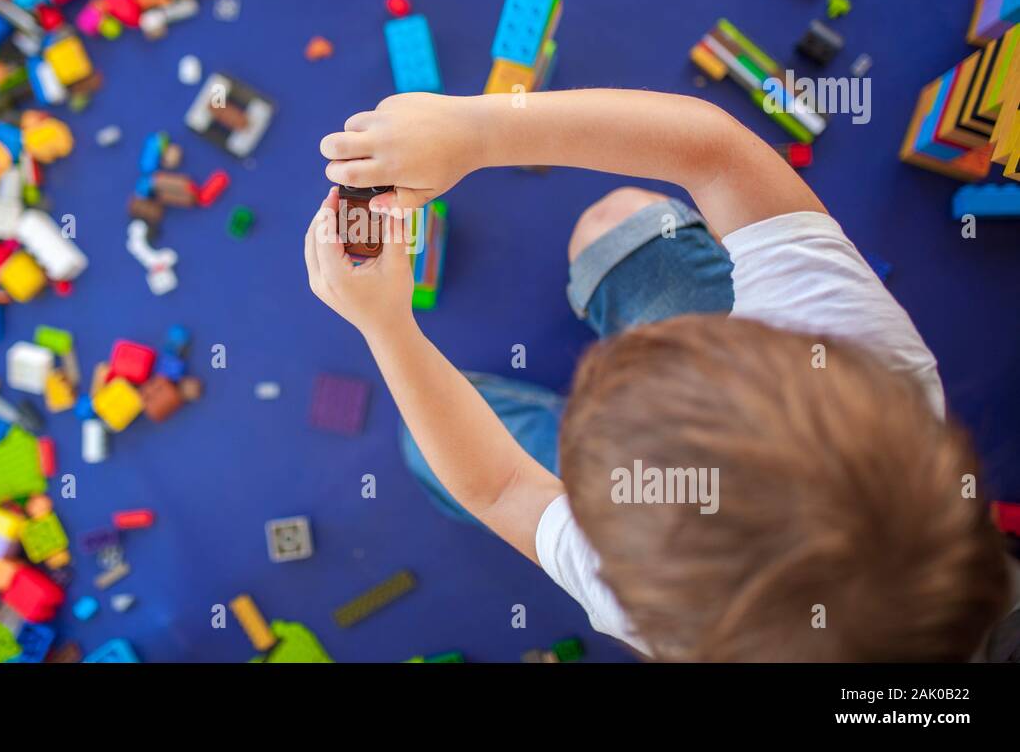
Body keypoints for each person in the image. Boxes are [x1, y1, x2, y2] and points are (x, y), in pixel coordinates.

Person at [303, 89, 1010, 661]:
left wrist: (387, 328)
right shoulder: (861, 351)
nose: (596, 381)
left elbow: (500, 486)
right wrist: (479, 129)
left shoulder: (644, 597)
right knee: (620, 222)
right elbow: (717, 154)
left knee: (422, 444)